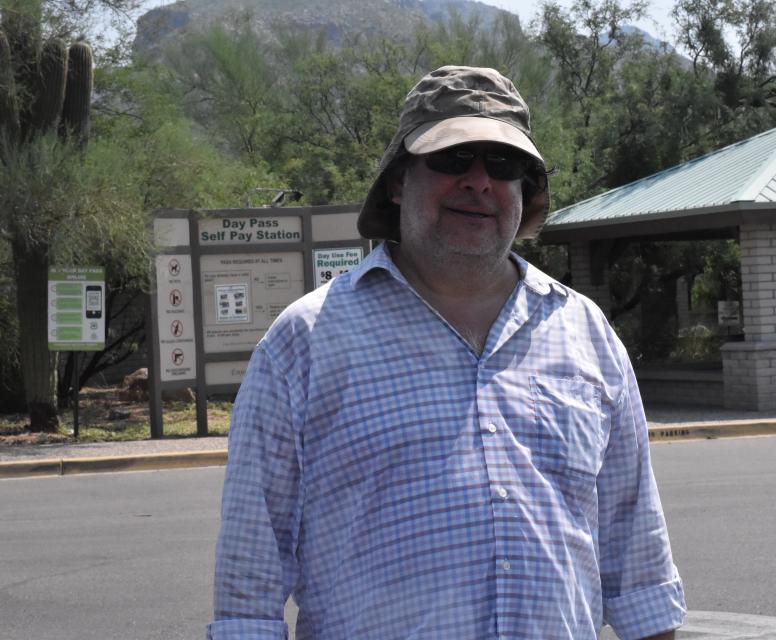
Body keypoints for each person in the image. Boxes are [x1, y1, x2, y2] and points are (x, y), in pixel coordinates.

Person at [208, 65, 685, 640]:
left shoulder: (587, 333)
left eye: (503, 165)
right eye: (453, 158)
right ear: (396, 181)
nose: (479, 182)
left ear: (524, 192)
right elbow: (249, 582)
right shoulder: (305, 341)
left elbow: (639, 565)